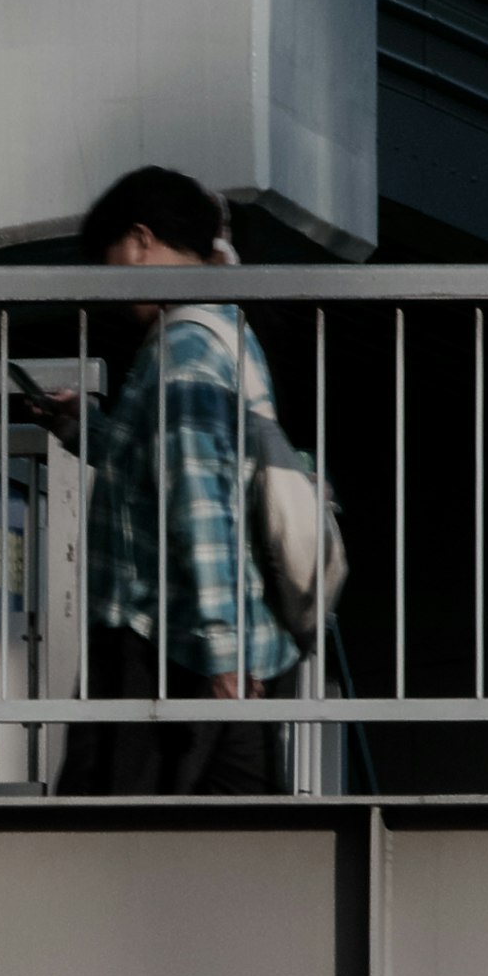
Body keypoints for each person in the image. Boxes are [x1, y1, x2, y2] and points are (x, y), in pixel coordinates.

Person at [23, 166, 299, 796]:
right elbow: (159, 466)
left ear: (142, 239)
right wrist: (79, 427)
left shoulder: (187, 349)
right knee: (230, 833)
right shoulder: (212, 330)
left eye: (111, 255)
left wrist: (225, 651)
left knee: (133, 834)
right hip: (192, 639)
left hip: (171, 644)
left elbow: (201, 503)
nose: (110, 279)